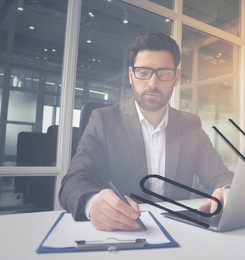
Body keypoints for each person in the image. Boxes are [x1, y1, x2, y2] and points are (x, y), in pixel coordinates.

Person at [59, 32, 233, 232]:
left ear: (176, 78)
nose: (152, 83)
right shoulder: (104, 120)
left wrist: (227, 190)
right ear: (131, 75)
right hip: (124, 234)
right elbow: (73, 182)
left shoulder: (190, 124)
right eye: (143, 72)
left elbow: (220, 175)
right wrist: (92, 203)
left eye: (163, 74)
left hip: (183, 233)